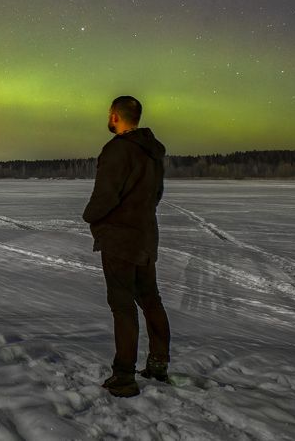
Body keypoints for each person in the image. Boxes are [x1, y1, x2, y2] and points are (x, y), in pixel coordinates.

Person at [83, 95, 171, 397]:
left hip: (121, 238)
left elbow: (106, 194)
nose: (108, 118)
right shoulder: (152, 152)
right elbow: (156, 194)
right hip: (145, 236)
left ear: (115, 116)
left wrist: (90, 217)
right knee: (150, 299)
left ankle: (124, 377)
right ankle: (158, 363)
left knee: (122, 305)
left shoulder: (117, 150)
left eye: (109, 114)